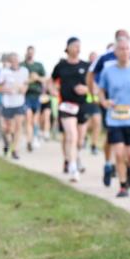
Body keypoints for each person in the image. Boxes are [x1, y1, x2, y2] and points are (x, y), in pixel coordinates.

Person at [96, 38, 130, 197]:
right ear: (115, 52)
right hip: (115, 118)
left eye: (127, 49)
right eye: (121, 49)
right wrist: (104, 101)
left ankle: (125, 168)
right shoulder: (108, 71)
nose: (125, 52)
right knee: (119, 154)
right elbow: (100, 90)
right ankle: (123, 186)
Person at [88, 32, 130, 186]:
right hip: (110, 104)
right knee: (111, 139)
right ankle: (108, 164)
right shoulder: (104, 58)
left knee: (127, 147)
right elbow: (91, 74)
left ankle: (124, 166)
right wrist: (96, 95)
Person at [51, 37, 91, 182]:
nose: (77, 49)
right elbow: (51, 80)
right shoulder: (61, 66)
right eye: (74, 46)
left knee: (79, 140)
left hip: (82, 105)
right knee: (71, 136)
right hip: (66, 105)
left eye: (79, 46)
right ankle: (73, 168)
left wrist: (87, 89)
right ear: (67, 48)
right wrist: (53, 91)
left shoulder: (86, 66)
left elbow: (96, 84)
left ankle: (74, 156)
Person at [0, 52, 30, 159]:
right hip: (7, 103)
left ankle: (15, 150)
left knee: (18, 126)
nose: (15, 62)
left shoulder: (24, 71)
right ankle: (7, 143)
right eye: (12, 60)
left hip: (19, 103)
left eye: (16, 59)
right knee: (7, 129)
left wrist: (24, 89)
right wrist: (6, 90)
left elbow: (26, 84)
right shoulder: (4, 72)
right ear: (9, 62)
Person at [22, 45, 46, 151]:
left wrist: (37, 78)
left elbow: (45, 79)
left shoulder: (39, 66)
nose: (30, 54)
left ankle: (35, 137)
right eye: (29, 52)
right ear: (26, 53)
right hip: (26, 95)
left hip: (37, 95)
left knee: (35, 120)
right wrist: (29, 80)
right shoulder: (22, 65)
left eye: (32, 52)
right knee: (28, 118)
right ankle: (29, 140)